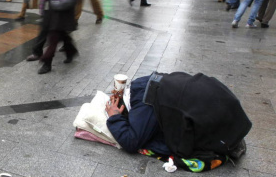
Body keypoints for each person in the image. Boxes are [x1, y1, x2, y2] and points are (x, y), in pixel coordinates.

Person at [106, 72, 250, 171]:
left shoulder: (143, 104)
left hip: (223, 132)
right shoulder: (146, 82)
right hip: (233, 114)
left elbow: (131, 142)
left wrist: (114, 117)